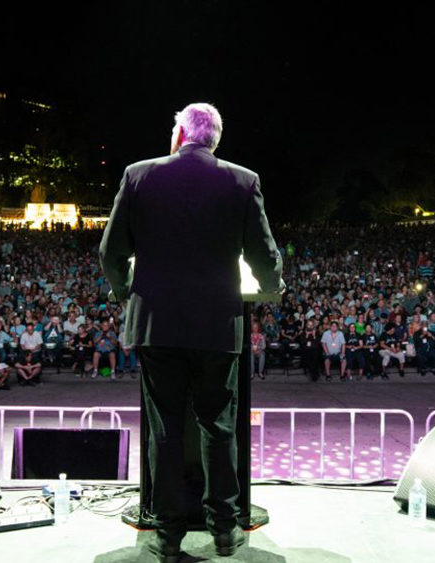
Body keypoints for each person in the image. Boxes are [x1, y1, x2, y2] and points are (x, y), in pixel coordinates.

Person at [99, 103, 283, 561]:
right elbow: (264, 254)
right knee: (218, 427)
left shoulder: (138, 175)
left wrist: (126, 292)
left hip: (157, 325)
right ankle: (224, 529)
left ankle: (167, 533)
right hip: (217, 326)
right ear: (215, 139)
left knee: (165, 431)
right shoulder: (243, 180)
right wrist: (272, 285)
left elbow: (110, 251)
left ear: (180, 133)